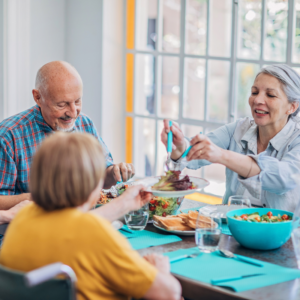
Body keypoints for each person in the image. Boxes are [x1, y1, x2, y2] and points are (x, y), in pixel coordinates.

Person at [0, 132, 181, 300]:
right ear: (94, 184)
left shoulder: (23, 218)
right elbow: (170, 292)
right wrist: (161, 271)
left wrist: (124, 203)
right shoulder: (95, 234)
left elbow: (73, 226)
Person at [161, 64, 300, 212]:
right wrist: (180, 145)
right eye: (254, 92)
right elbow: (194, 153)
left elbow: (282, 179)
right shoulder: (238, 129)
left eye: (270, 95)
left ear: (292, 107)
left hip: (282, 233)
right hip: (229, 228)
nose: (257, 100)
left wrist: (222, 155)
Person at [0, 61, 134, 211]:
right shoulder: (8, 136)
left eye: (77, 101)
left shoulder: (85, 124)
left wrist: (115, 173)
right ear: (38, 97)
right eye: (62, 104)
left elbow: (102, 178)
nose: (73, 112)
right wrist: (38, 198)